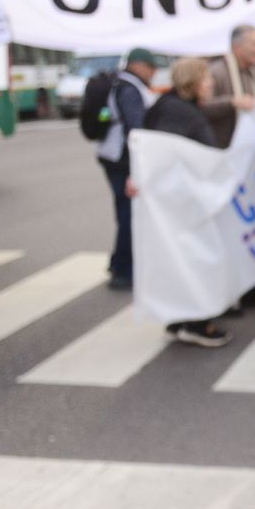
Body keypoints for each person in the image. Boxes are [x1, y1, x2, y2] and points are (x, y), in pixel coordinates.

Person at [141, 57, 230, 347]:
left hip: (179, 201)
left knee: (180, 258)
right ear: (192, 82)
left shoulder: (171, 106)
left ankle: (181, 318)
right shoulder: (179, 113)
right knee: (196, 258)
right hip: (185, 202)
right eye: (205, 79)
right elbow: (170, 156)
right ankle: (196, 322)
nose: (211, 83)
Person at [202, 24, 255, 308]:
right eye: (254, 44)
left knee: (251, 228)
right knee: (227, 231)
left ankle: (251, 285)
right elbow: (201, 105)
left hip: (249, 167)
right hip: (226, 162)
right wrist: (232, 103)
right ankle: (227, 291)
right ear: (237, 47)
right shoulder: (219, 72)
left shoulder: (251, 71)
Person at [96, 48, 157, 291]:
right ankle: (123, 271)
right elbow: (136, 129)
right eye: (151, 68)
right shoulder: (130, 88)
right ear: (138, 65)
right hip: (123, 159)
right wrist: (138, 167)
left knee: (127, 212)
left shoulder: (124, 84)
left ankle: (118, 263)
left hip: (115, 156)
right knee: (128, 214)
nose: (153, 73)